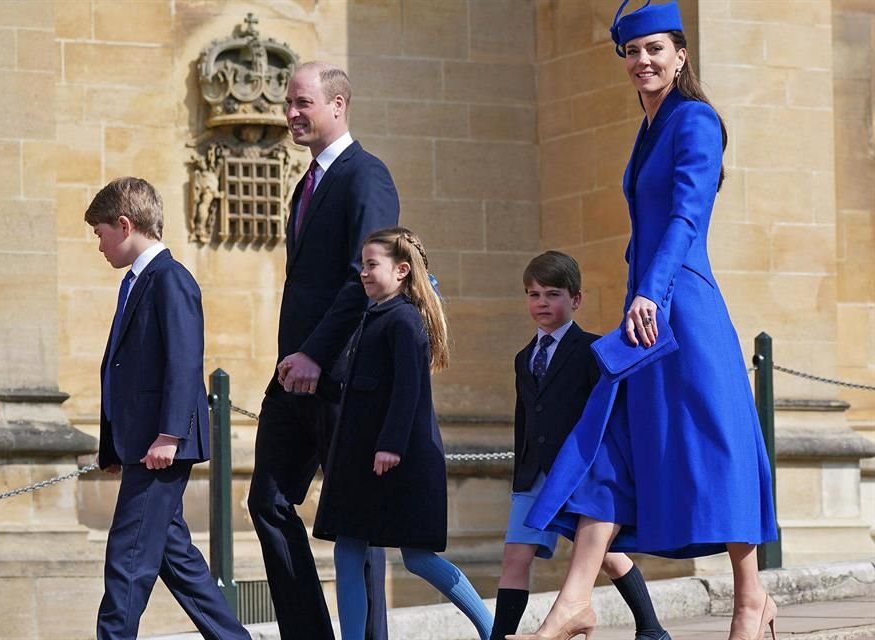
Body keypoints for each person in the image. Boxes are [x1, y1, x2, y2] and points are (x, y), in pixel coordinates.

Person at [509, 2, 778, 639]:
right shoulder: (649, 126)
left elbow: (686, 217)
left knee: (718, 447)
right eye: (632, 52)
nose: (643, 61)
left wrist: (650, 294)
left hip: (682, 309)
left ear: (681, 55)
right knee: (607, 446)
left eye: (655, 49)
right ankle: (574, 601)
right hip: (650, 307)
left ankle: (750, 599)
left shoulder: (696, 120)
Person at [247, 61, 399, 640]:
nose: (290, 114)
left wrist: (315, 353)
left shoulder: (367, 176)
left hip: (343, 376)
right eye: (289, 104)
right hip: (296, 377)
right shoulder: (305, 183)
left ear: (338, 105)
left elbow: (364, 279)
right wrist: (296, 358)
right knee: (268, 501)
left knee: (356, 521)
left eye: (302, 103)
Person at [85, 177, 250, 640]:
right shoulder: (137, 282)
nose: (98, 246)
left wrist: (170, 435)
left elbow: (183, 360)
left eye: (100, 234)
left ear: (124, 224)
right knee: (177, 561)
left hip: (161, 444)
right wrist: (115, 445)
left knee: (126, 560)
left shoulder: (170, 279)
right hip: (142, 443)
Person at [313, 227, 493, 640]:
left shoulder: (404, 320)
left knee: (417, 558)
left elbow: (410, 388)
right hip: (363, 462)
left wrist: (391, 445)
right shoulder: (374, 316)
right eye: (362, 264)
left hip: (397, 462)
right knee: (348, 550)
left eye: (372, 264)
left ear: (401, 270)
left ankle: (492, 630)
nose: (363, 272)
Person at [490, 251, 668, 640]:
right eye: (533, 294)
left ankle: (651, 628)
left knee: (604, 555)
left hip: (578, 472)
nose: (541, 303)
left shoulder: (593, 350)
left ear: (576, 300)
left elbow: (606, 414)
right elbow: (526, 415)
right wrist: (520, 473)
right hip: (533, 472)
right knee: (515, 556)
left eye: (552, 294)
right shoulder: (524, 358)